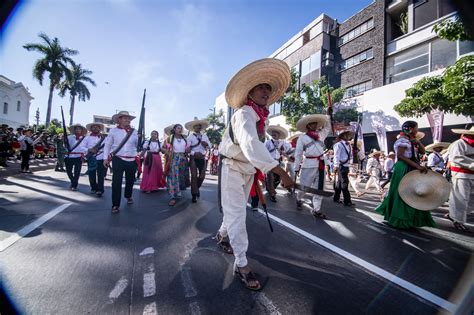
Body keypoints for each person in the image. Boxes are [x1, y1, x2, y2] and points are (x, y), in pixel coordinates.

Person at [216, 58, 293, 291]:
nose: (266, 92)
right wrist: (280, 171)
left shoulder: (259, 118)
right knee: (238, 215)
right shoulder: (244, 113)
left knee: (235, 209)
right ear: (250, 91)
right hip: (231, 167)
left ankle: (221, 235)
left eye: (268, 90)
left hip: (247, 169)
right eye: (262, 88)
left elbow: (255, 150)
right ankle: (242, 264)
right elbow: (251, 145)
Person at [376, 121, 436, 229]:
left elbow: (423, 152)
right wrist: (417, 166)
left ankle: (412, 219)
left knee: (415, 193)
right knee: (403, 193)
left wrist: (417, 141)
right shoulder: (402, 140)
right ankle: (400, 219)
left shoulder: (412, 141)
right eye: (416, 128)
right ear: (412, 129)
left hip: (412, 166)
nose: (417, 130)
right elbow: (400, 156)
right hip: (404, 167)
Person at [293, 114, 331, 217]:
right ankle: (299, 198)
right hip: (309, 164)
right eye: (312, 123)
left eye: (315, 123)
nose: (315, 125)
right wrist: (296, 167)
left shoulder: (321, 134)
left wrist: (328, 116)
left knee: (319, 188)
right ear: (308, 125)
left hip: (321, 164)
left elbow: (328, 127)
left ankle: (316, 209)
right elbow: (298, 153)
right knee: (305, 186)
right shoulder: (302, 138)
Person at [103, 111, 139, 213]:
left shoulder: (134, 131)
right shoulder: (113, 131)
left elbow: (136, 144)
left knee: (130, 180)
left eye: (129, 118)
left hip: (131, 159)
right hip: (118, 158)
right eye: (125, 118)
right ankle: (115, 204)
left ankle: (128, 195)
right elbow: (108, 145)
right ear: (119, 119)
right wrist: (105, 158)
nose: (127, 120)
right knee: (116, 182)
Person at [446, 125, 474, 232]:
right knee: (461, 198)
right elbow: (457, 158)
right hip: (462, 175)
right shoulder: (459, 143)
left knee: (471, 200)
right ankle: (458, 220)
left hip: (472, 175)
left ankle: (453, 214)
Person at [163, 124, 190, 206]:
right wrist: (167, 151)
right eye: (178, 128)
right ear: (174, 129)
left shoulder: (184, 139)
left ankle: (178, 192)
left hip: (183, 159)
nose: (180, 129)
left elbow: (187, 149)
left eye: (181, 128)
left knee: (181, 176)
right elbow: (162, 148)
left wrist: (188, 150)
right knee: (173, 176)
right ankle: (172, 196)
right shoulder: (169, 138)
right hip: (174, 158)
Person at [185, 118, 210, 203]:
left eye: (200, 126)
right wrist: (194, 153)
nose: (198, 127)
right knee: (194, 177)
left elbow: (210, 146)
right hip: (194, 158)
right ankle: (194, 195)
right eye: (196, 126)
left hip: (203, 158)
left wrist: (206, 144)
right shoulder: (190, 137)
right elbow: (187, 149)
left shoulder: (205, 136)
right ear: (193, 127)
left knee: (202, 176)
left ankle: (196, 188)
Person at [264, 125, 288, 202]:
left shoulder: (282, 143)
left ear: (279, 135)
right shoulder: (267, 142)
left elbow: (284, 152)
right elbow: (264, 152)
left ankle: (271, 188)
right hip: (270, 162)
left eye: (276, 133)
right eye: (273, 133)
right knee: (271, 178)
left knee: (278, 178)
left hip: (277, 162)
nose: (274, 134)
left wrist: (288, 155)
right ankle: (272, 194)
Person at [82, 123, 107, 197]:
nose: (95, 128)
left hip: (101, 157)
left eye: (97, 127)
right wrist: (89, 149)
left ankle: (100, 190)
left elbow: (108, 147)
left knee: (101, 175)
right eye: (94, 127)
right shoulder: (87, 138)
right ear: (91, 129)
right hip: (91, 157)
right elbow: (82, 147)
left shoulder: (104, 138)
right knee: (91, 174)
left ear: (99, 129)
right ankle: (93, 187)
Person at [333, 129, 356, 207]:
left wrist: (351, 163)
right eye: (346, 134)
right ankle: (347, 201)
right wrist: (336, 166)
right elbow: (336, 156)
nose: (348, 136)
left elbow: (350, 156)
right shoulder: (338, 145)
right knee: (344, 183)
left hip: (346, 165)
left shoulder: (349, 145)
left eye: (348, 134)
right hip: (340, 166)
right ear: (342, 136)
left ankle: (336, 198)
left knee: (340, 183)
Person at [65, 124, 87, 191]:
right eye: (76, 129)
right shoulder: (69, 137)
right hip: (69, 156)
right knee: (68, 171)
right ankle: (73, 181)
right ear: (74, 130)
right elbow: (65, 146)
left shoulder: (84, 138)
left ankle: (74, 185)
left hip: (78, 156)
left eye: (79, 129)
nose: (77, 130)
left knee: (77, 172)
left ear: (81, 130)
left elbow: (86, 147)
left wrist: (85, 154)